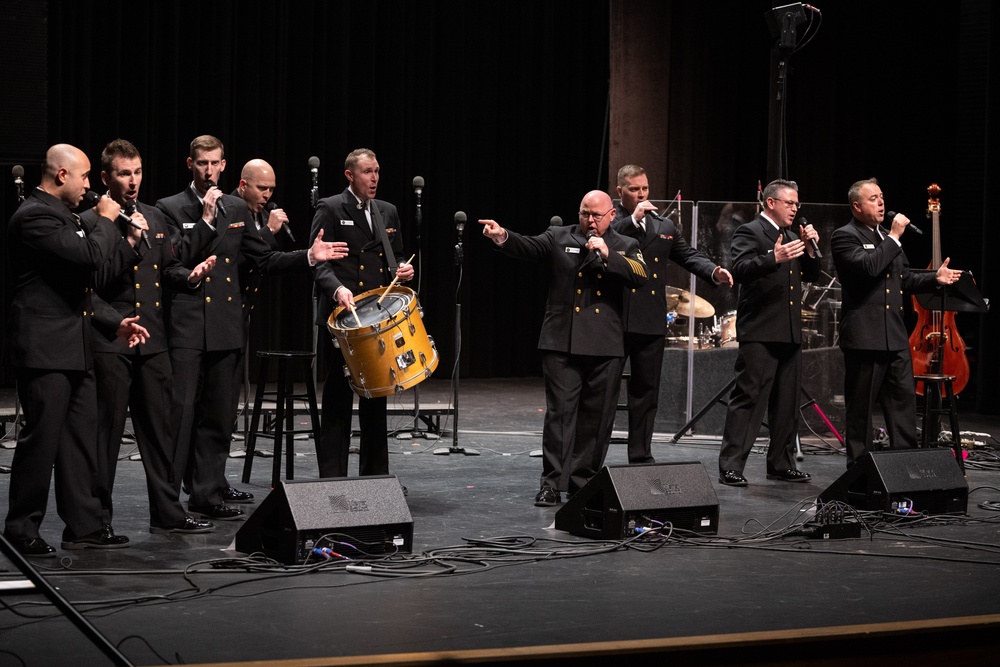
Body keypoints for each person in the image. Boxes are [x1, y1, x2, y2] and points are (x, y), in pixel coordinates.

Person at [156, 135, 346, 521]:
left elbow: (264, 258)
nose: (208, 170)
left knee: (219, 414)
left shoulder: (235, 207)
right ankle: (169, 501)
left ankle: (206, 493)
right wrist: (206, 221)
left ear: (224, 165)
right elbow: (175, 261)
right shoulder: (170, 208)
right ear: (189, 164)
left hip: (225, 325)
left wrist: (308, 256)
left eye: (215, 164)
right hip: (188, 326)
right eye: (202, 163)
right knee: (182, 413)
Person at [3, 144, 149, 556]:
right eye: (85, 177)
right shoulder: (34, 217)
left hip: (76, 344)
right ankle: (20, 527)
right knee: (42, 440)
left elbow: (81, 285)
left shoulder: (61, 216)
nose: (89, 185)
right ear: (62, 176)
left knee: (80, 439)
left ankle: (83, 524)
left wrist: (112, 321)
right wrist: (105, 220)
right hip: (45, 348)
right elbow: (88, 259)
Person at [480, 190, 648, 506]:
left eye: (596, 215)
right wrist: (503, 236)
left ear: (612, 215)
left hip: (605, 343)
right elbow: (529, 246)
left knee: (596, 420)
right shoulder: (560, 236)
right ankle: (552, 483)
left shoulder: (626, 245)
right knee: (560, 415)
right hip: (562, 341)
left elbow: (641, 276)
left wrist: (609, 254)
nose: (589, 221)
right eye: (585, 213)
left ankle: (583, 482)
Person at [83, 139, 216, 536]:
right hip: (112, 342)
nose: (133, 181)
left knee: (161, 432)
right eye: (124, 173)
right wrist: (129, 242)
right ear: (106, 177)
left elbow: (169, 268)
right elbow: (97, 281)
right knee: (105, 435)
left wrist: (190, 277)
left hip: (154, 342)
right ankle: (96, 520)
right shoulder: (93, 221)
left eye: (137, 172)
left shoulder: (155, 217)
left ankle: (168, 512)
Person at [831, 178, 962, 467]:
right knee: (861, 410)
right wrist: (893, 237)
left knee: (902, 407)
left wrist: (934, 278)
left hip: (895, 336)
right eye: (873, 198)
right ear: (856, 206)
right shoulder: (845, 236)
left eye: (881, 196)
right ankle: (859, 472)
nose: (881, 202)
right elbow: (869, 267)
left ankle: (906, 469)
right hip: (865, 337)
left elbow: (904, 278)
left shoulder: (887, 239)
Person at [612, 165, 733, 464]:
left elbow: (688, 254)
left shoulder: (664, 225)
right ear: (619, 192)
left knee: (647, 393)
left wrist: (714, 271)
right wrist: (633, 220)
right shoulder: (609, 219)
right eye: (633, 190)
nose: (641, 195)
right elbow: (608, 240)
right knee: (603, 393)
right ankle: (589, 461)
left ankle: (640, 455)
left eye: (645, 189)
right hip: (614, 319)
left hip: (650, 319)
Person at [310, 148, 414, 483]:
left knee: (376, 401)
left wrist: (404, 271)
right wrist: (337, 289)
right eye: (367, 171)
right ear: (350, 175)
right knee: (338, 401)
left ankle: (376, 479)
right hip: (343, 319)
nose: (374, 178)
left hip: (377, 320)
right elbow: (319, 262)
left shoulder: (387, 212)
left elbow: (394, 258)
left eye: (377, 171)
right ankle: (332, 479)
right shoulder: (330, 207)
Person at [717, 179, 819, 487]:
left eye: (797, 204)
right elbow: (740, 268)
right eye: (790, 203)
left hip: (788, 330)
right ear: (771, 203)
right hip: (761, 329)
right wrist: (772, 258)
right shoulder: (750, 231)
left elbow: (812, 275)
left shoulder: (791, 235)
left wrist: (812, 247)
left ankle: (780, 463)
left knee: (787, 404)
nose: (795, 209)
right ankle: (731, 465)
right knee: (749, 398)